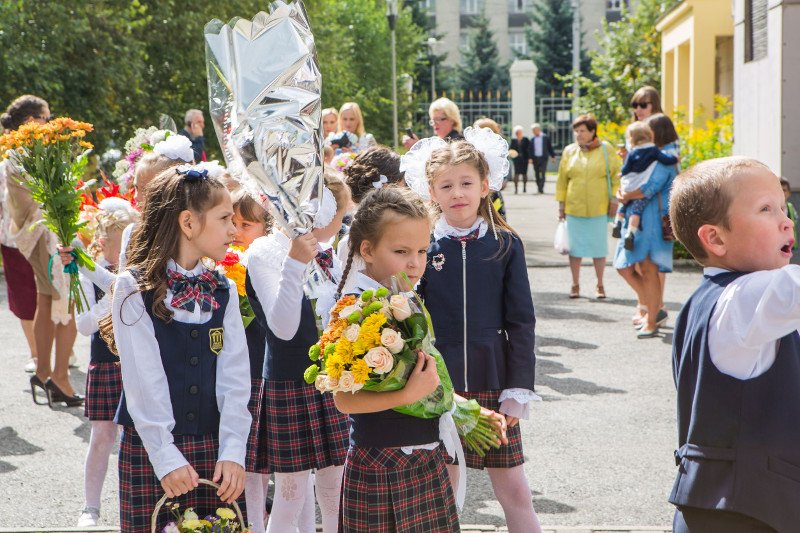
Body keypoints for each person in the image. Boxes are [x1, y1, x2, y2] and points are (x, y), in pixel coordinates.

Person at [333, 186, 508, 532]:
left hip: (424, 454)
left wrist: (461, 407)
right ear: (366, 249)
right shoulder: (354, 309)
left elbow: (423, 375)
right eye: (401, 251)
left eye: (423, 250)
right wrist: (406, 396)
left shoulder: (405, 297)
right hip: (381, 461)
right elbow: (343, 399)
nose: (415, 262)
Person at [105, 166, 251, 528]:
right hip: (154, 451)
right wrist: (164, 455)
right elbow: (143, 380)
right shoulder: (133, 287)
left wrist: (233, 451)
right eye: (224, 218)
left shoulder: (224, 289)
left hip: (216, 452)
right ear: (188, 222)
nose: (234, 230)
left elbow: (235, 378)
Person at [414, 139, 542, 533]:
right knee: (444, 495)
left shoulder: (505, 245)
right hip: (440, 387)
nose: (458, 193)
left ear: (485, 186)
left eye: (467, 183)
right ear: (432, 192)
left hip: (494, 383)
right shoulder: (422, 248)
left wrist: (518, 389)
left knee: (515, 492)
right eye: (446, 185)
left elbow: (522, 323)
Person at [668, 157, 800, 532]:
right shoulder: (741, 298)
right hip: (741, 511)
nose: (786, 220)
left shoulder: (733, 302)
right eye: (765, 209)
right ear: (715, 238)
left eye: (783, 206)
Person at [246, 175, 351, 533]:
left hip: (330, 380)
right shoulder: (264, 252)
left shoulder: (327, 255)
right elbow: (284, 328)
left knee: (335, 487)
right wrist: (294, 264)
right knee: (290, 492)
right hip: (288, 382)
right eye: (340, 213)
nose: (343, 221)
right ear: (320, 214)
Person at [2, 95, 81, 406]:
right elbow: (43, 198)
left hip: (36, 236)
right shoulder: (22, 154)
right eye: (46, 118)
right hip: (45, 236)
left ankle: (46, 372)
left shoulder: (19, 152)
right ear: (30, 122)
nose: (50, 124)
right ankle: (59, 378)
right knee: (66, 304)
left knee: (47, 302)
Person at [75, 206, 137, 527]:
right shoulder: (91, 273)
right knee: (101, 437)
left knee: (136, 437)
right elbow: (84, 325)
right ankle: (90, 507)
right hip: (105, 362)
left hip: (135, 364)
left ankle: (136, 503)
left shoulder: (136, 271)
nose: (129, 250)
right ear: (103, 242)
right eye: (121, 244)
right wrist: (111, 295)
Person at [228, 189, 274, 533]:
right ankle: (254, 523)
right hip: (241, 370)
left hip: (264, 367)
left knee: (268, 459)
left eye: (247, 224)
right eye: (233, 222)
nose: (238, 230)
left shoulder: (267, 261)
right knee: (250, 459)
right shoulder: (226, 261)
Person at [614, 114, 680, 338]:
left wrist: (625, 195)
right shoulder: (646, 157)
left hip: (652, 222)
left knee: (649, 269)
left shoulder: (664, 159)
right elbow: (629, 179)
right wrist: (623, 192)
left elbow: (650, 188)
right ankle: (652, 307)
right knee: (625, 266)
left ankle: (651, 318)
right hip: (638, 220)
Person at [556, 114, 621, 299]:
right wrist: (561, 206)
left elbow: (616, 175)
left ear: (593, 131)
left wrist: (615, 200)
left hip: (598, 207)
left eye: (582, 131)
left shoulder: (606, 149)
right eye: (576, 131)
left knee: (598, 249)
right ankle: (575, 284)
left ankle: (600, 285)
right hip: (574, 208)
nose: (578, 134)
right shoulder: (569, 151)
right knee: (574, 249)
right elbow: (562, 180)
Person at [0, 116, 38, 374]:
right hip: (14, 239)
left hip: (45, 236)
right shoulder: (6, 163)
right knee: (26, 297)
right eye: (44, 118)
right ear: (30, 121)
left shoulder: (44, 156)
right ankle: (36, 354)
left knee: (53, 292)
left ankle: (55, 352)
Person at [611, 122, 678, 251]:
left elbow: (626, 168)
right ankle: (630, 233)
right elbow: (666, 159)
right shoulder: (653, 150)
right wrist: (675, 159)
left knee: (624, 205)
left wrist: (622, 173)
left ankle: (617, 222)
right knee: (637, 210)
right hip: (641, 183)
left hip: (630, 184)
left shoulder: (632, 152)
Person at [529, 123, 556, 194]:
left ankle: (541, 188)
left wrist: (553, 156)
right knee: (537, 174)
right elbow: (530, 150)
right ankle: (539, 187)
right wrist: (530, 158)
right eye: (532, 131)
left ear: (538, 129)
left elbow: (549, 147)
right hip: (535, 158)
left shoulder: (545, 137)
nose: (533, 132)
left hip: (543, 158)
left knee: (543, 173)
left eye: (534, 130)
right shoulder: (532, 139)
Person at [509, 126, 530, 194]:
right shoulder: (513, 141)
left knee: (524, 174)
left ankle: (524, 187)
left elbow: (529, 149)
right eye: (517, 132)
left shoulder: (526, 139)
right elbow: (511, 149)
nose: (519, 133)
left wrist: (530, 158)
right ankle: (516, 189)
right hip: (516, 160)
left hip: (525, 159)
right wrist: (512, 155)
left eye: (520, 132)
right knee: (516, 174)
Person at [781, 177, 798, 251]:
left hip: (788, 241)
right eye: (780, 189)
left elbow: (795, 219)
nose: (782, 192)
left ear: (789, 193)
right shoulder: (771, 207)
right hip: (776, 242)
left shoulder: (790, 207)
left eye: (784, 190)